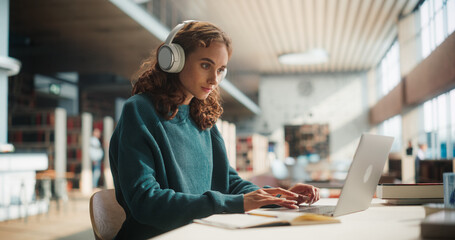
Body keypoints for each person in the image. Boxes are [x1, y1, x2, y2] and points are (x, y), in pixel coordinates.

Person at [109, 21, 320, 239]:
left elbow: (228, 183)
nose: (214, 79)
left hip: (198, 232)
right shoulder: (139, 110)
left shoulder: (201, 117)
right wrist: (236, 203)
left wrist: (276, 196)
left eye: (220, 70)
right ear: (174, 60)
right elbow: (146, 202)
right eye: (205, 65)